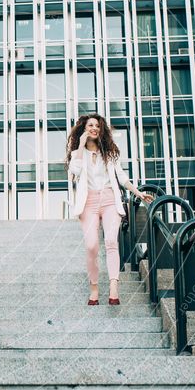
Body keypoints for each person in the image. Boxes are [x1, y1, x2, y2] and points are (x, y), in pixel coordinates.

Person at [66, 114, 153, 305]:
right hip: (88, 202)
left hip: (109, 201)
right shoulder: (77, 154)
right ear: (83, 129)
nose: (94, 128)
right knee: (91, 246)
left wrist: (138, 193)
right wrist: (80, 145)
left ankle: (114, 285)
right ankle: (94, 287)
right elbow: (76, 171)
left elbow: (121, 177)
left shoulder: (110, 153)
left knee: (112, 241)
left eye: (97, 125)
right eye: (90, 125)